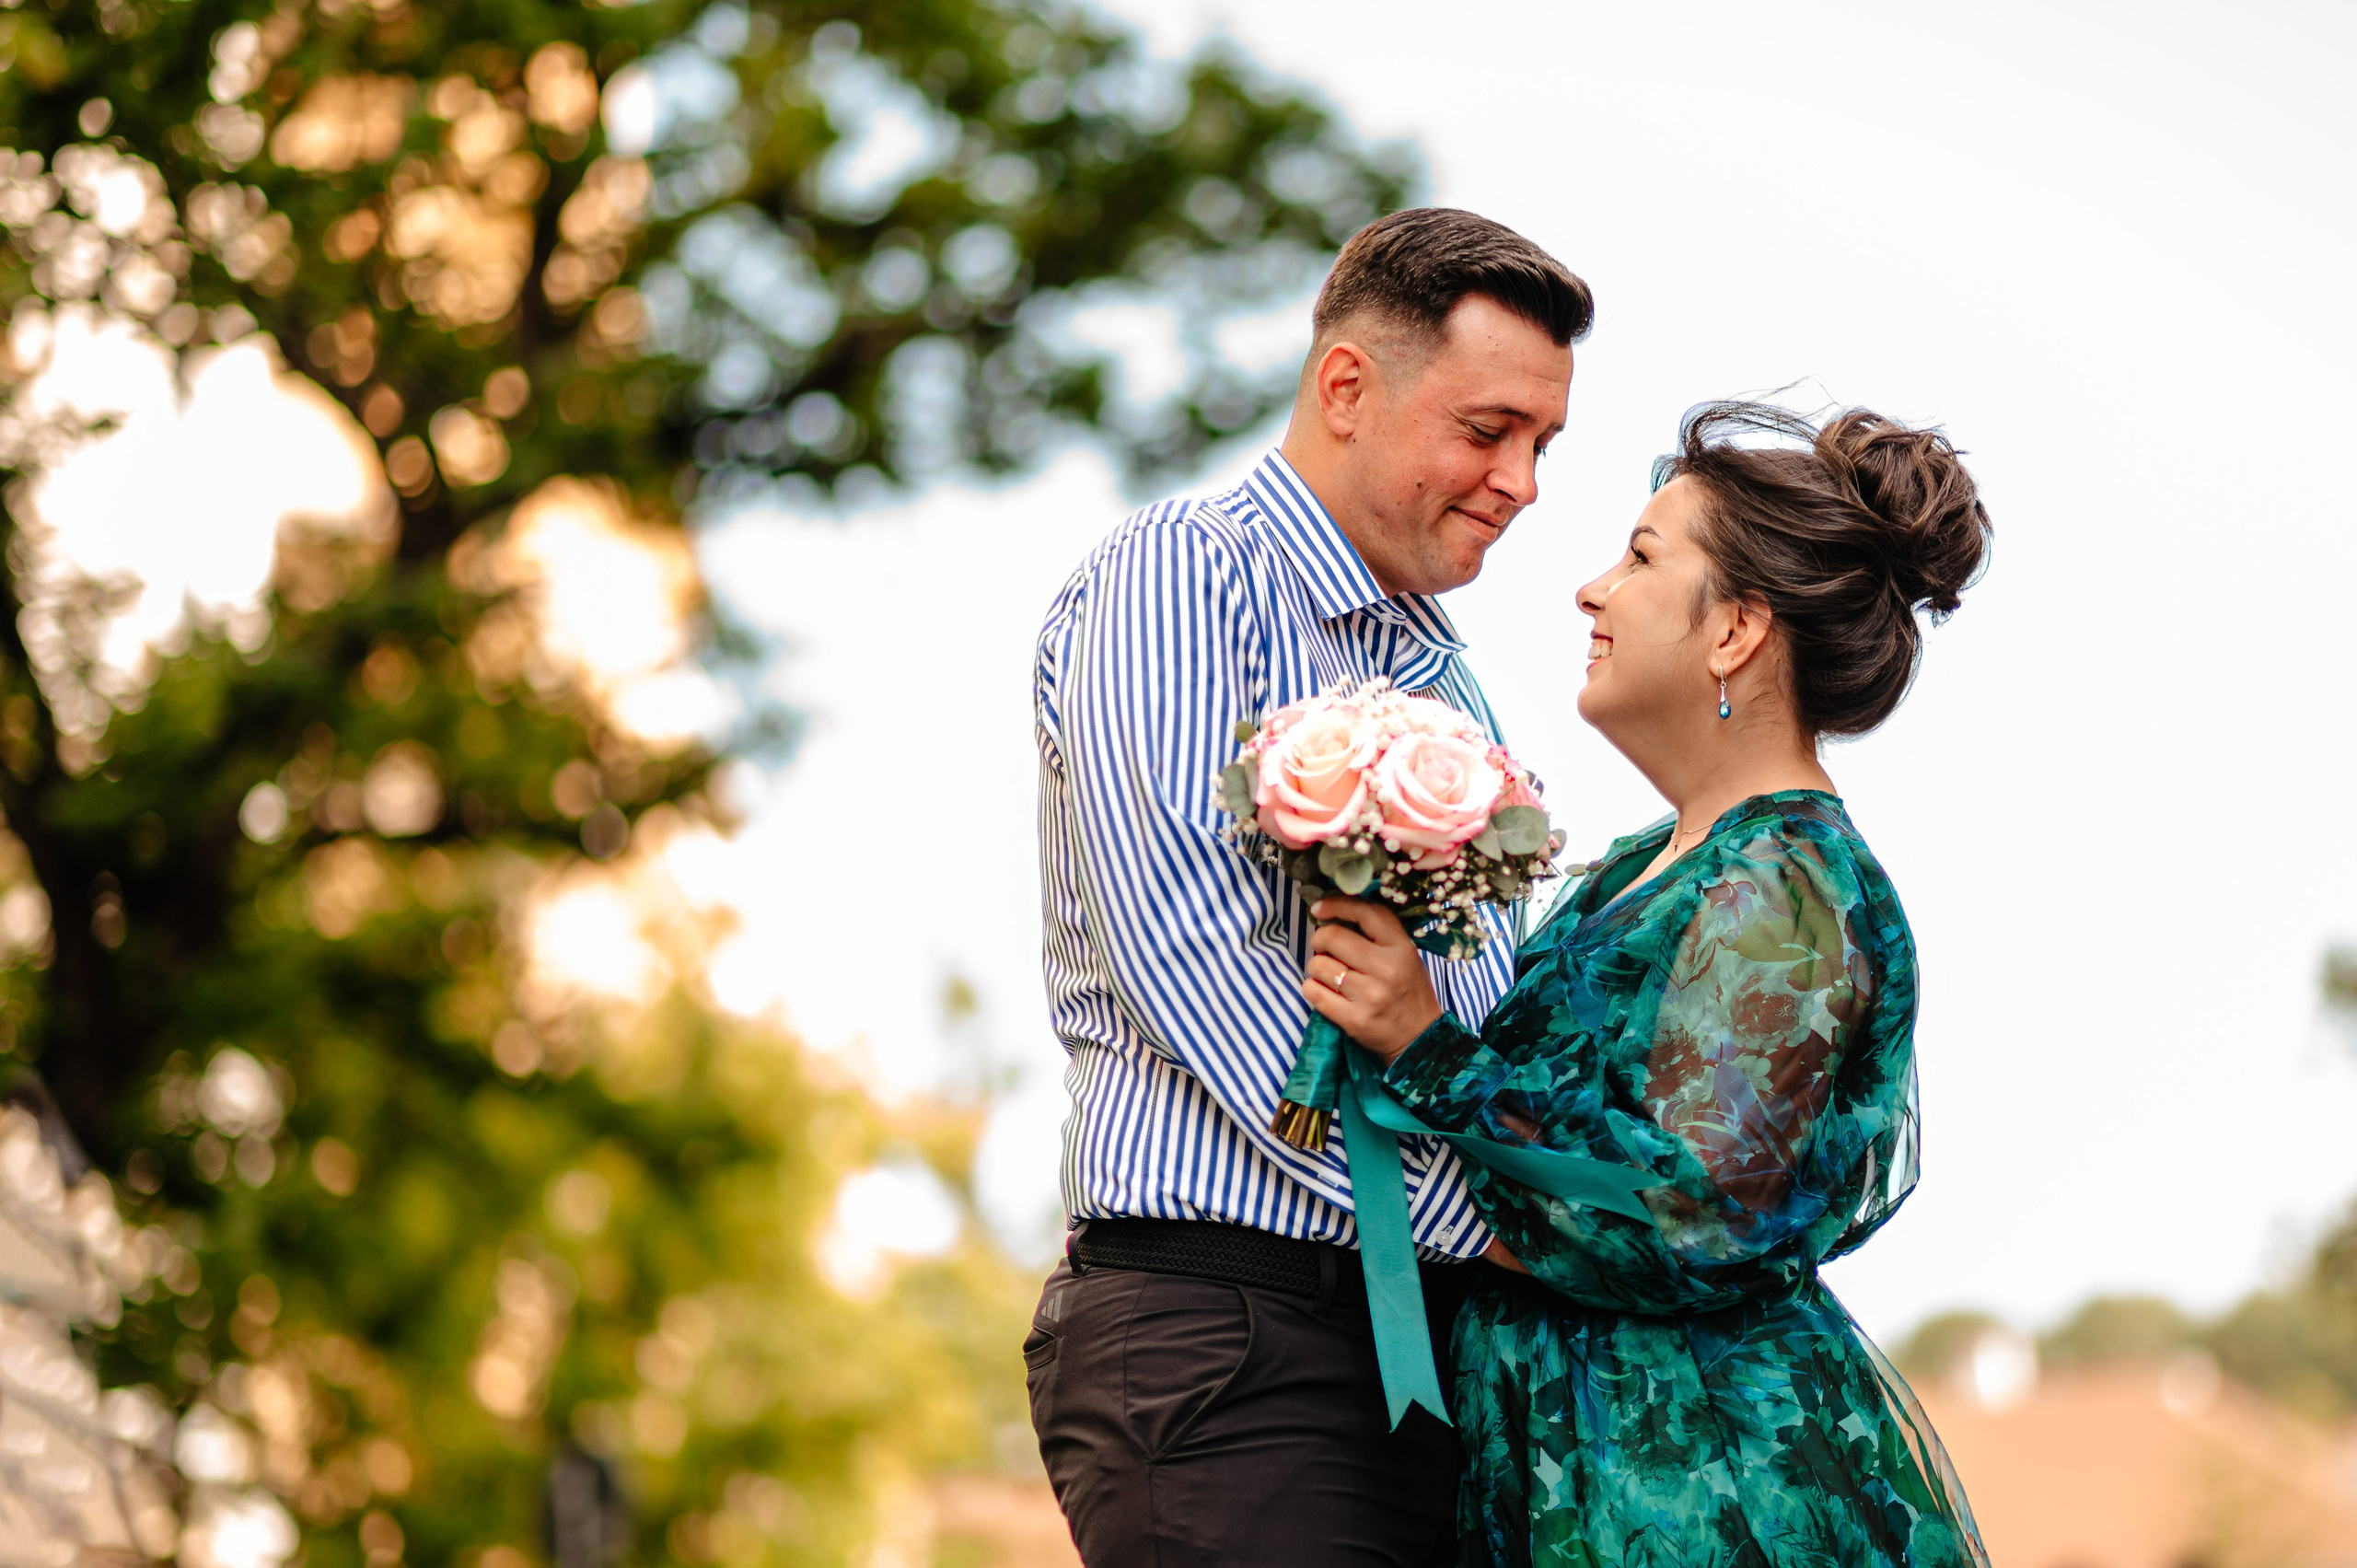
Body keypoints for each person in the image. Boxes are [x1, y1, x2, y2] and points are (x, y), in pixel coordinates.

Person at [1303, 402, 1993, 1566]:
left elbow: (1683, 1210)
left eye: (1639, 556)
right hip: (1583, 1447)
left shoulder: (1786, 884)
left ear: (1733, 629)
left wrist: (1427, 1046)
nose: (1590, 589)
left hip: (1688, 1482)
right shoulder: (1650, 859)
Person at [1024, 208, 1593, 1568]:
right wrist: (1499, 1219)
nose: (1520, 481)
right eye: (1488, 428)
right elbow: (1191, 955)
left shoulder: (1443, 675)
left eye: (1542, 446)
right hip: (1227, 1331)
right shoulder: (1182, 572)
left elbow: (1466, 1000)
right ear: (1346, 387)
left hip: (1425, 1347)